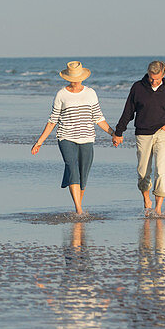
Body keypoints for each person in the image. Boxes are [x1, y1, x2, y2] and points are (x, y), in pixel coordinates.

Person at [31, 61, 115, 215]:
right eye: (73, 77)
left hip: (87, 138)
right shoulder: (61, 94)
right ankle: (79, 209)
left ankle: (78, 206)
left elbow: (98, 118)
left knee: (83, 176)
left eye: (78, 77)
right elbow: (53, 120)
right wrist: (39, 142)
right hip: (66, 138)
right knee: (72, 169)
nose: (76, 80)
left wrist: (113, 133)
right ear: (68, 77)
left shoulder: (91, 93)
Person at [113, 60, 165, 217]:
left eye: (157, 79)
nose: (154, 81)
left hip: (162, 133)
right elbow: (128, 112)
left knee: (161, 170)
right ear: (148, 74)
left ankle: (158, 208)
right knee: (143, 171)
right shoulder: (138, 87)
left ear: (163, 74)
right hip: (143, 133)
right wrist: (119, 132)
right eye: (151, 78)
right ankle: (147, 200)